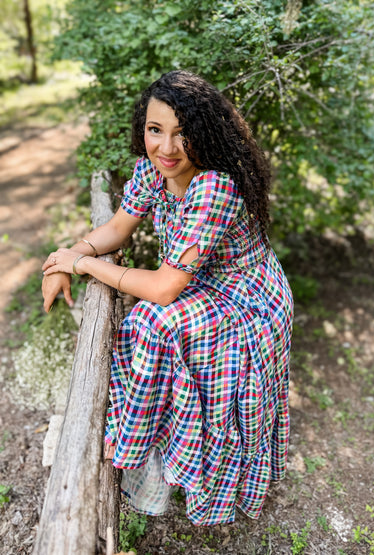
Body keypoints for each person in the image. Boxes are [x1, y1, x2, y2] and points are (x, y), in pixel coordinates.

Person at [42, 70, 294, 526]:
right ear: (144, 128)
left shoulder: (214, 185)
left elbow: (163, 288)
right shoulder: (152, 170)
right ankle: (147, 451)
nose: (167, 147)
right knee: (148, 324)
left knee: (150, 323)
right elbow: (117, 229)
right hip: (196, 285)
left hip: (247, 299)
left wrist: (83, 266)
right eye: (156, 130)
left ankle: (139, 451)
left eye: (183, 134)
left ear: (205, 134)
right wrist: (67, 256)